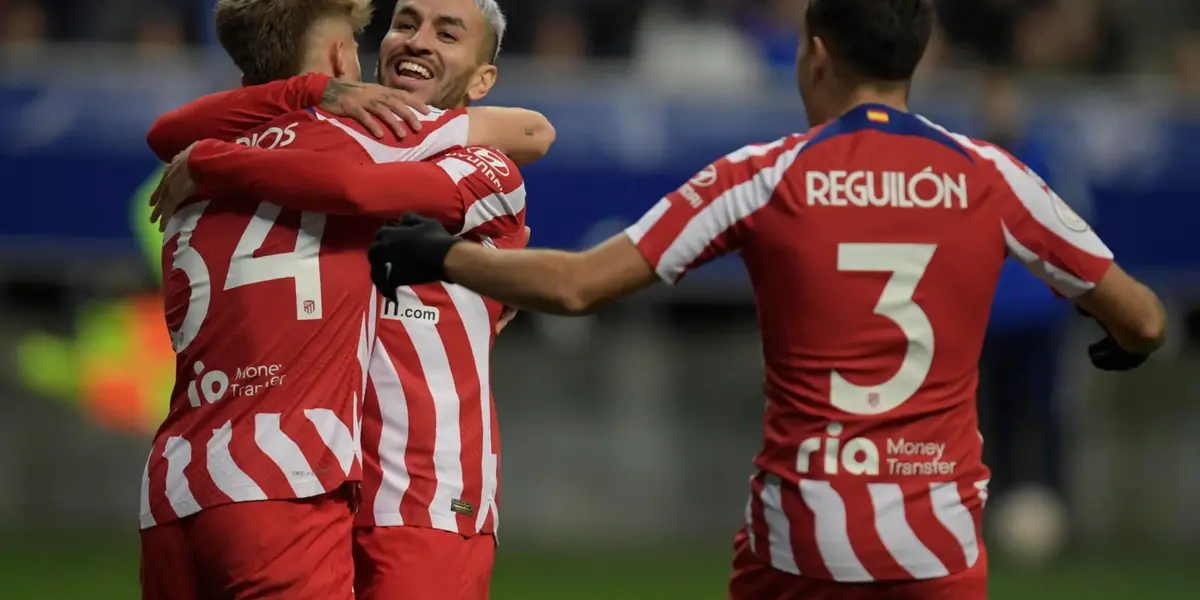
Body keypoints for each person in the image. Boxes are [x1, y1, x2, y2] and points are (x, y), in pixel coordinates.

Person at [367, 1, 1168, 598]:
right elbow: (1144, 318)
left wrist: (445, 254)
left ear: (814, 55)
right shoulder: (991, 174)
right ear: (916, 58)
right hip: (939, 547)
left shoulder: (763, 175)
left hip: (804, 543)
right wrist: (1122, 343)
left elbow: (577, 287)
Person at [143, 1, 542, 598]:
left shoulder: (480, 163)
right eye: (404, 25)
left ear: (484, 79)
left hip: (424, 497)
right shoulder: (343, 141)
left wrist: (212, 159)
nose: (417, 41)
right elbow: (170, 132)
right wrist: (314, 96)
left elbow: (532, 132)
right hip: (316, 485)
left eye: (447, 33)